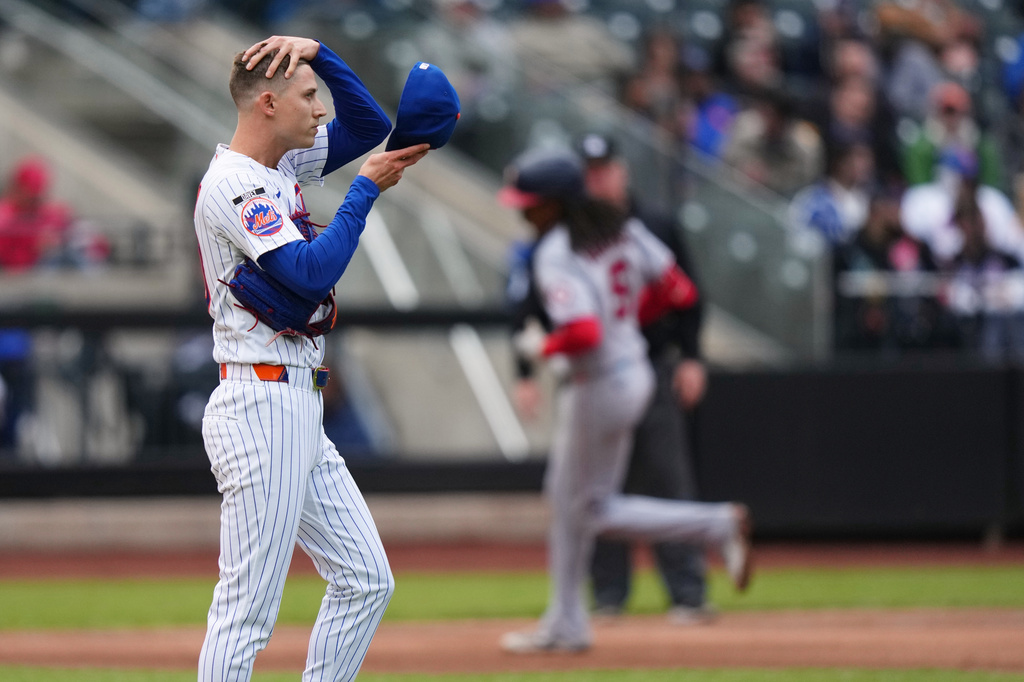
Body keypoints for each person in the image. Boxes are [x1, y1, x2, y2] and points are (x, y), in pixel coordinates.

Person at [193, 35, 429, 681]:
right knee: (246, 612)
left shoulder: (280, 169)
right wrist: (363, 192)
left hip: (296, 400)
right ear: (268, 103)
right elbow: (307, 270)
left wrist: (320, 53)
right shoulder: (235, 184)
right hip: (259, 401)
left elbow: (369, 125)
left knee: (365, 580)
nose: (320, 107)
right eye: (307, 95)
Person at [497, 146, 753, 654]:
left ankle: (715, 525)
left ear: (554, 203)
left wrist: (541, 347)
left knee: (586, 508)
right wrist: (629, 319)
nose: (523, 211)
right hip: (635, 371)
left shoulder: (555, 252)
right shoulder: (623, 229)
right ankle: (566, 620)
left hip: (599, 384)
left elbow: (584, 332)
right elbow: (679, 290)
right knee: (570, 500)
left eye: (531, 202)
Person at [573, 133, 715, 624]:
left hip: (653, 363)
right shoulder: (574, 230)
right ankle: (609, 595)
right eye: (590, 171)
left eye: (605, 169)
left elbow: (690, 295)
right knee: (597, 484)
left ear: (622, 171)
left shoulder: (653, 224)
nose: (599, 179)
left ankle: (689, 592)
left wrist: (692, 356)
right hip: (594, 373)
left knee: (667, 477)